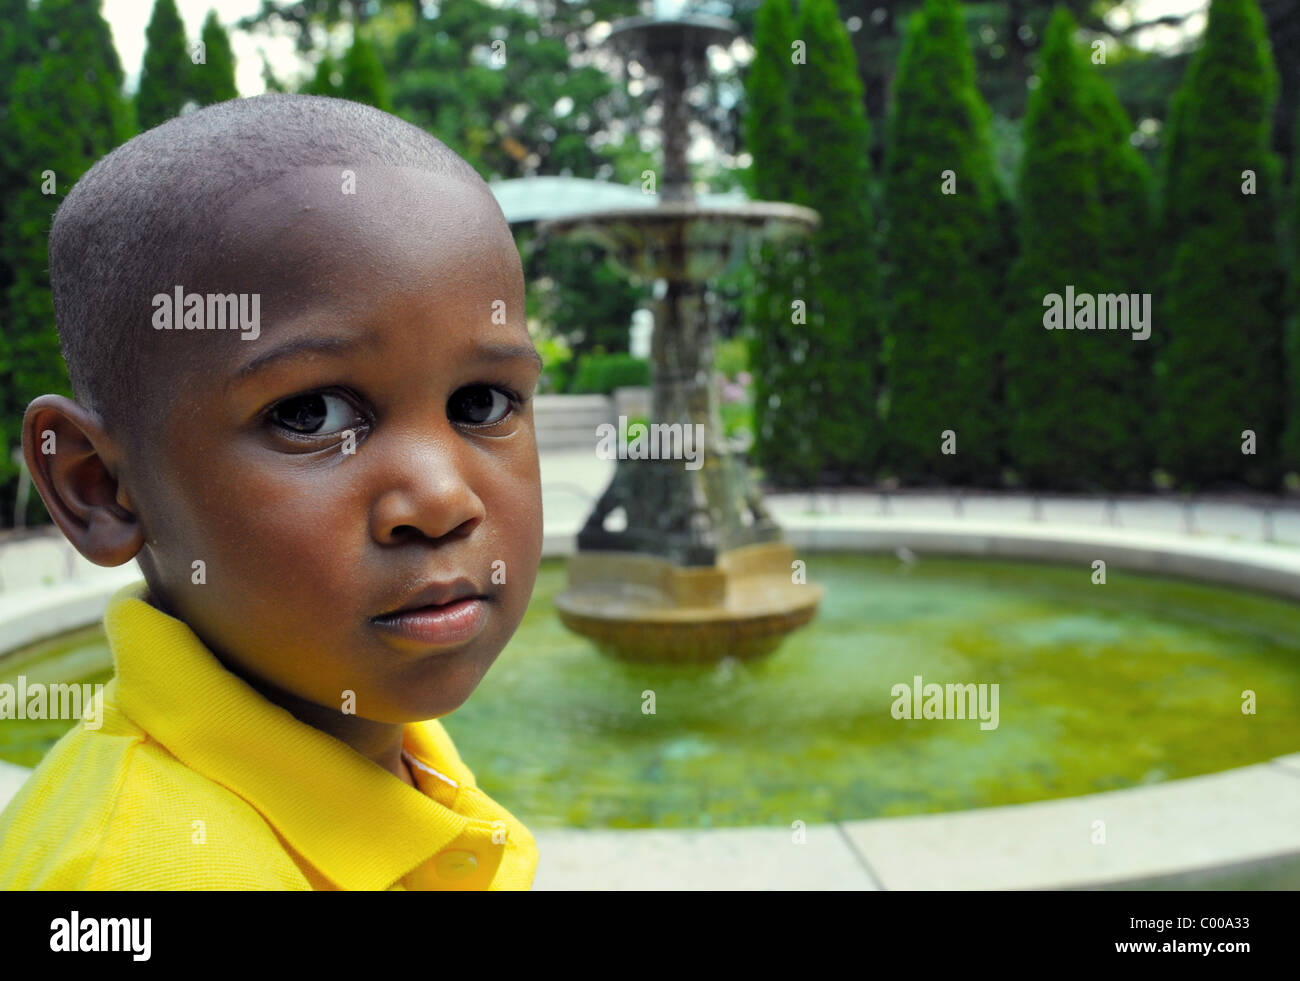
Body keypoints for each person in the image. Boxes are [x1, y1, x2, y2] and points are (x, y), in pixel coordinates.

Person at [0, 94, 545, 890]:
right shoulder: (144, 876)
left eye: (483, 403)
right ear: (100, 487)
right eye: (310, 413)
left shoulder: (377, 727)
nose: (439, 498)